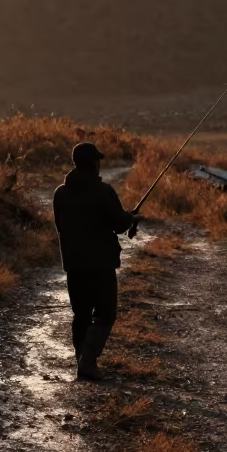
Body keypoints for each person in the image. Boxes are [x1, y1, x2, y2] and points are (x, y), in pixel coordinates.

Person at [53, 142, 139, 381]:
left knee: (80, 314)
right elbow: (120, 225)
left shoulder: (60, 193)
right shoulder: (104, 192)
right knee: (105, 314)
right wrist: (131, 217)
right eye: (98, 160)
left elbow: (60, 226)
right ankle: (88, 362)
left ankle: (81, 358)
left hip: (73, 264)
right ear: (93, 163)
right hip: (101, 265)